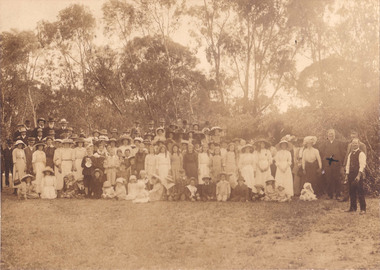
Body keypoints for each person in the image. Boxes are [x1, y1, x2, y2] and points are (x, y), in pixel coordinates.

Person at [340, 130, 367, 202]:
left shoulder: (362, 145)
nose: (352, 138)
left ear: (357, 136)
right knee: (347, 182)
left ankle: (361, 203)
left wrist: (362, 170)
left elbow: (364, 158)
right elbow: (347, 155)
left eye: (354, 136)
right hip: (350, 168)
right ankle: (346, 198)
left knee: (359, 186)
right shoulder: (350, 145)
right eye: (351, 136)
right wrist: (344, 165)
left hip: (358, 168)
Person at [320, 129, 346, 199]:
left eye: (332, 134)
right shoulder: (325, 143)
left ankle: (338, 195)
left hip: (336, 164)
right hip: (328, 164)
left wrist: (341, 164)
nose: (331, 135)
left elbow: (342, 153)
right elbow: (322, 153)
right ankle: (330, 195)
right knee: (328, 179)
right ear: (327, 135)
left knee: (337, 179)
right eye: (329, 134)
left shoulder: (339, 143)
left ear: (334, 135)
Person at [345, 138, 367, 214]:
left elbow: (362, 165)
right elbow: (348, 165)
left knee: (360, 191)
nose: (354, 144)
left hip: (358, 174)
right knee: (351, 191)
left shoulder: (361, 153)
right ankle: (353, 207)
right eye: (353, 143)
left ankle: (363, 209)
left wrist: (358, 175)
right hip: (351, 174)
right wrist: (347, 175)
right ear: (351, 144)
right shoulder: (350, 154)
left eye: (356, 143)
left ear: (358, 144)